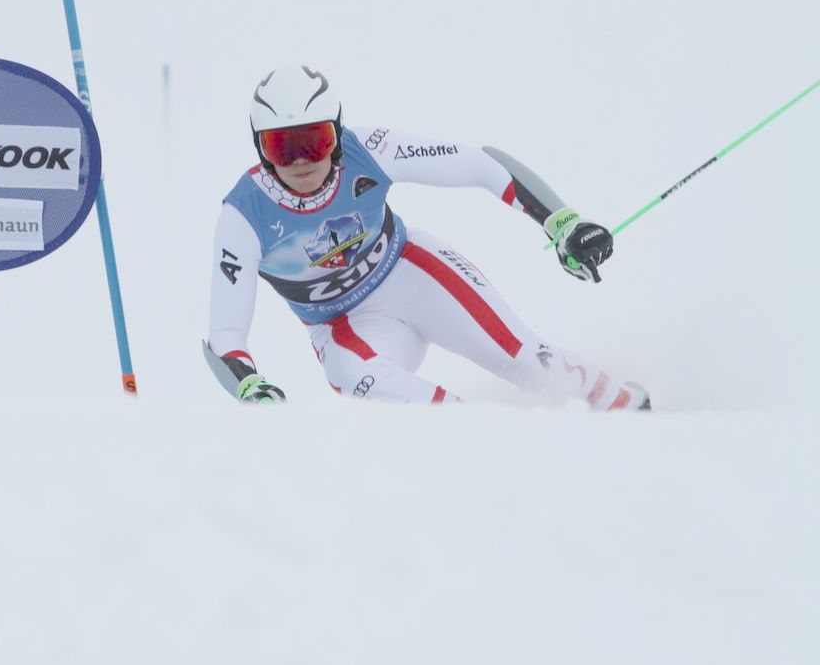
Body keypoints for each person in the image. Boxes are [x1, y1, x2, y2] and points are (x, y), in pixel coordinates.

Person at [204, 64, 650, 410]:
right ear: (260, 148)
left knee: (528, 361)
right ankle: (490, 445)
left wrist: (563, 223)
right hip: (347, 328)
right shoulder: (243, 214)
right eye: (282, 147)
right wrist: (250, 386)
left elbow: (480, 163)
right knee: (359, 380)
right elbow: (225, 335)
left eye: (314, 142)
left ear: (337, 135)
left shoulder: (368, 149)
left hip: (414, 277)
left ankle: (631, 409)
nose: (301, 162)